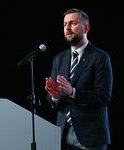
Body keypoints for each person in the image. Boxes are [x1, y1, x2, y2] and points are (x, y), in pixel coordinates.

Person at [45, 8, 113, 150]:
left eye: (73, 23)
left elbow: (103, 97)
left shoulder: (100, 57)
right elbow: (51, 100)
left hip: (92, 136)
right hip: (63, 134)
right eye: (65, 24)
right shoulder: (59, 58)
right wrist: (55, 97)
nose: (68, 28)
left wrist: (73, 92)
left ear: (86, 27)